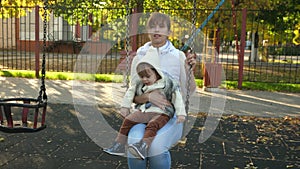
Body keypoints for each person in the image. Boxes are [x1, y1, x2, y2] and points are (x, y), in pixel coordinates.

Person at [126, 12, 197, 169]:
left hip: (170, 116)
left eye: (161, 26)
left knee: (156, 147)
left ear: (169, 32)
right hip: (144, 114)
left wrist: (189, 69)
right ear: (148, 30)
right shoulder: (139, 57)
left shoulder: (179, 56)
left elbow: (189, 91)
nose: (156, 29)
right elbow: (133, 95)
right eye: (152, 25)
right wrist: (149, 97)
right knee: (133, 142)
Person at [103, 47, 186, 160]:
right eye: (142, 77)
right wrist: (125, 107)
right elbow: (130, 93)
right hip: (144, 111)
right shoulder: (140, 83)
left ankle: (143, 146)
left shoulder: (167, 83)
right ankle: (119, 145)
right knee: (128, 120)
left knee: (152, 125)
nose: (145, 79)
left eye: (148, 76)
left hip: (162, 112)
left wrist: (181, 113)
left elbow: (178, 98)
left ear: (156, 72)